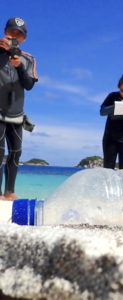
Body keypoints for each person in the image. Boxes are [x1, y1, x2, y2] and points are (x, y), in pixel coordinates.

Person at [0, 17, 38, 200]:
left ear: (24, 38)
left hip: (16, 113)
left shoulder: (28, 59)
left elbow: (29, 85)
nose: (14, 36)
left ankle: (9, 191)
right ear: (5, 30)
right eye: (11, 31)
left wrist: (19, 66)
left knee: (15, 152)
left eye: (19, 34)